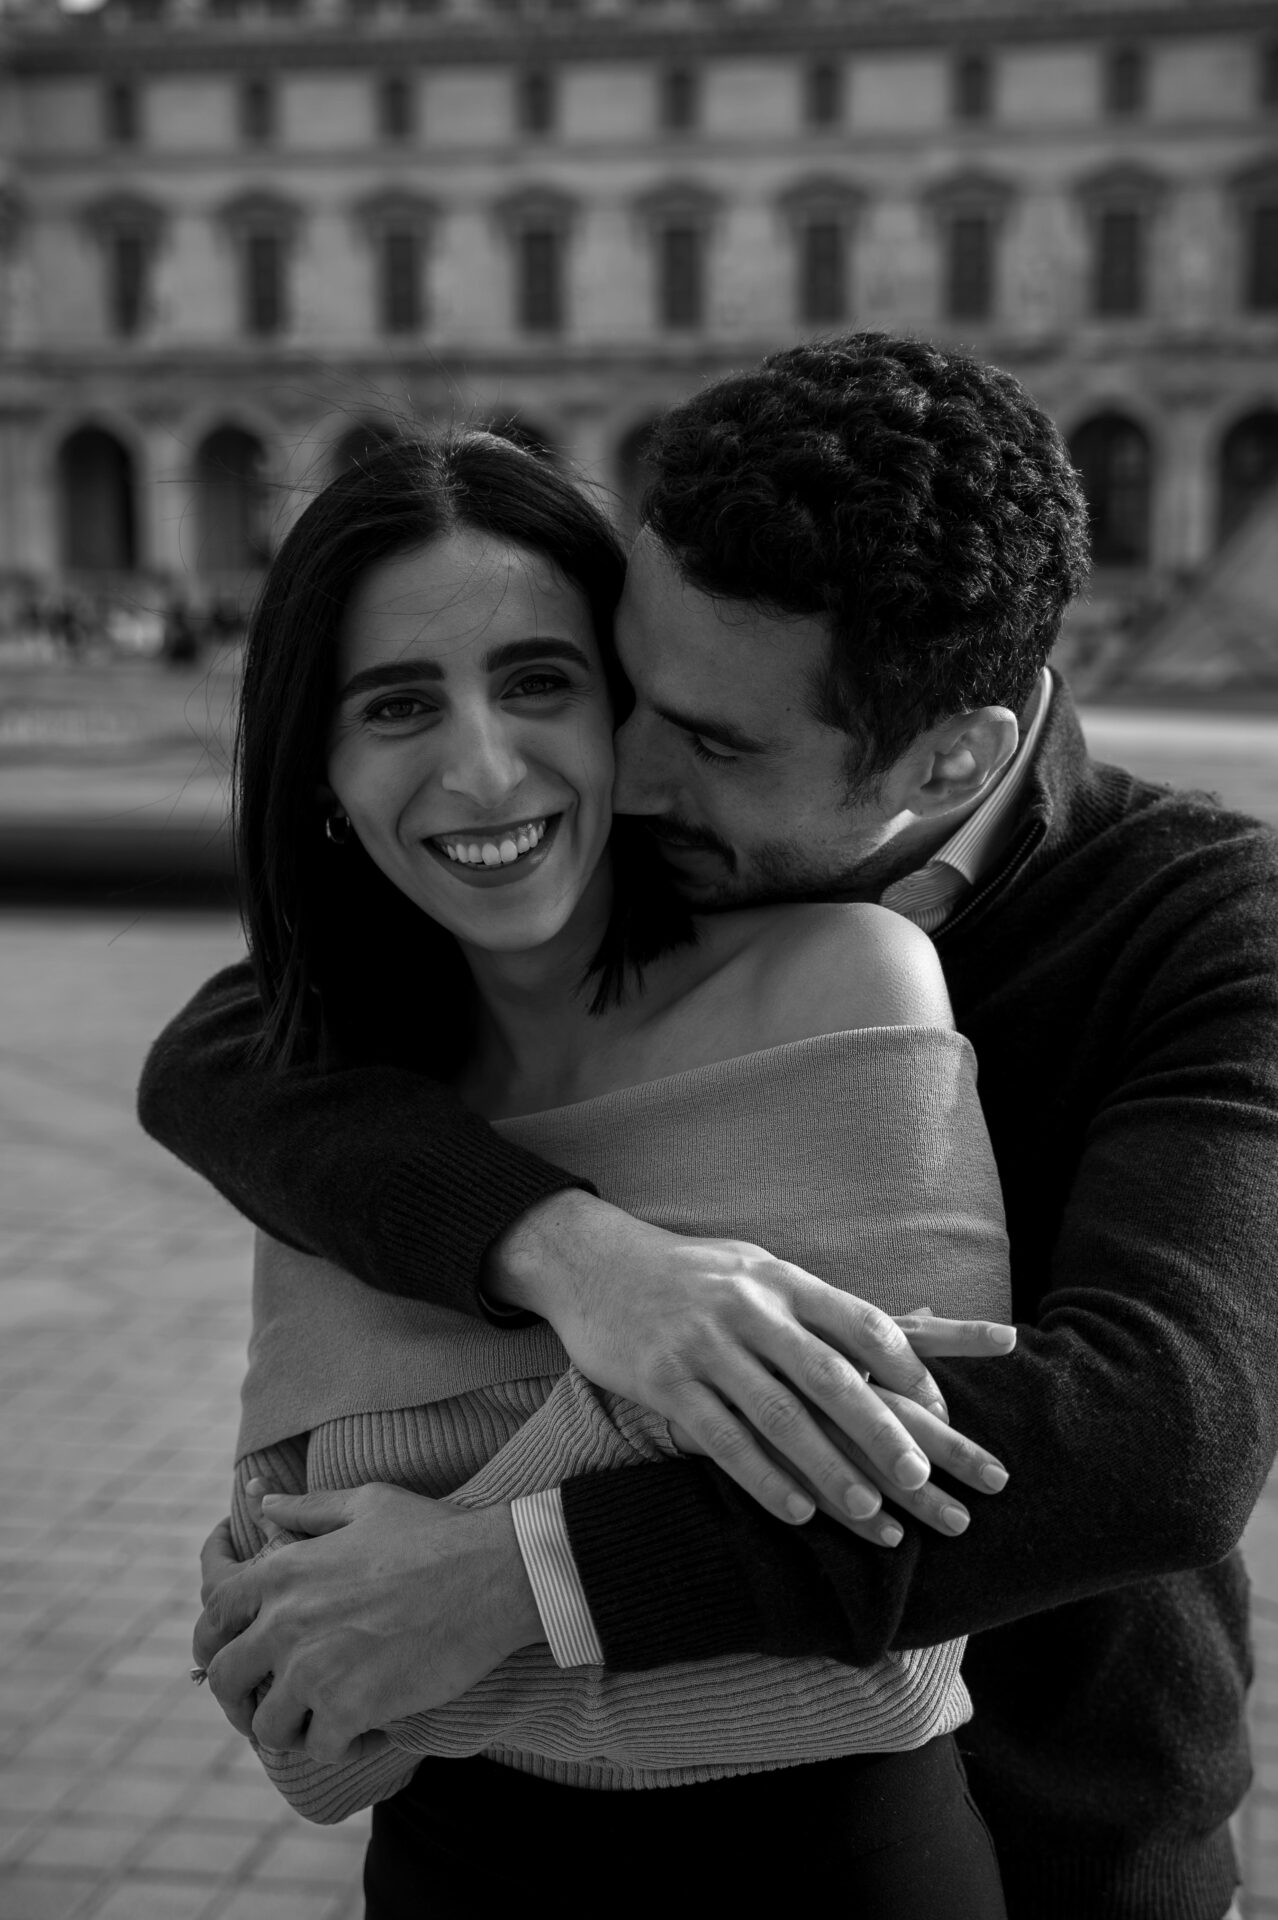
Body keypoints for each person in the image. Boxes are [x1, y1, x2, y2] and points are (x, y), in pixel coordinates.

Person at [141, 333, 1278, 1920]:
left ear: (953, 754)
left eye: (722, 741)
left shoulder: (1207, 922)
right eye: (627, 683)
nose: (639, 773)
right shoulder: (658, 858)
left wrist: (518, 1577)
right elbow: (228, 1046)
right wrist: (571, 1254)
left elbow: (1163, 1432)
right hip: (549, 1819)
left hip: (1054, 1822)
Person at [186, 425, 1015, 1915]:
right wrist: (621, 1439)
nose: (483, 765)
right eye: (396, 705)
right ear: (319, 764)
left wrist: (460, 1585)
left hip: (828, 1873)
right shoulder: (344, 1095)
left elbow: (887, 1633)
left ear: (624, 708)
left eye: (537, 681)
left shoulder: (843, 979)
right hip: (455, 1875)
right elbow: (301, 1710)